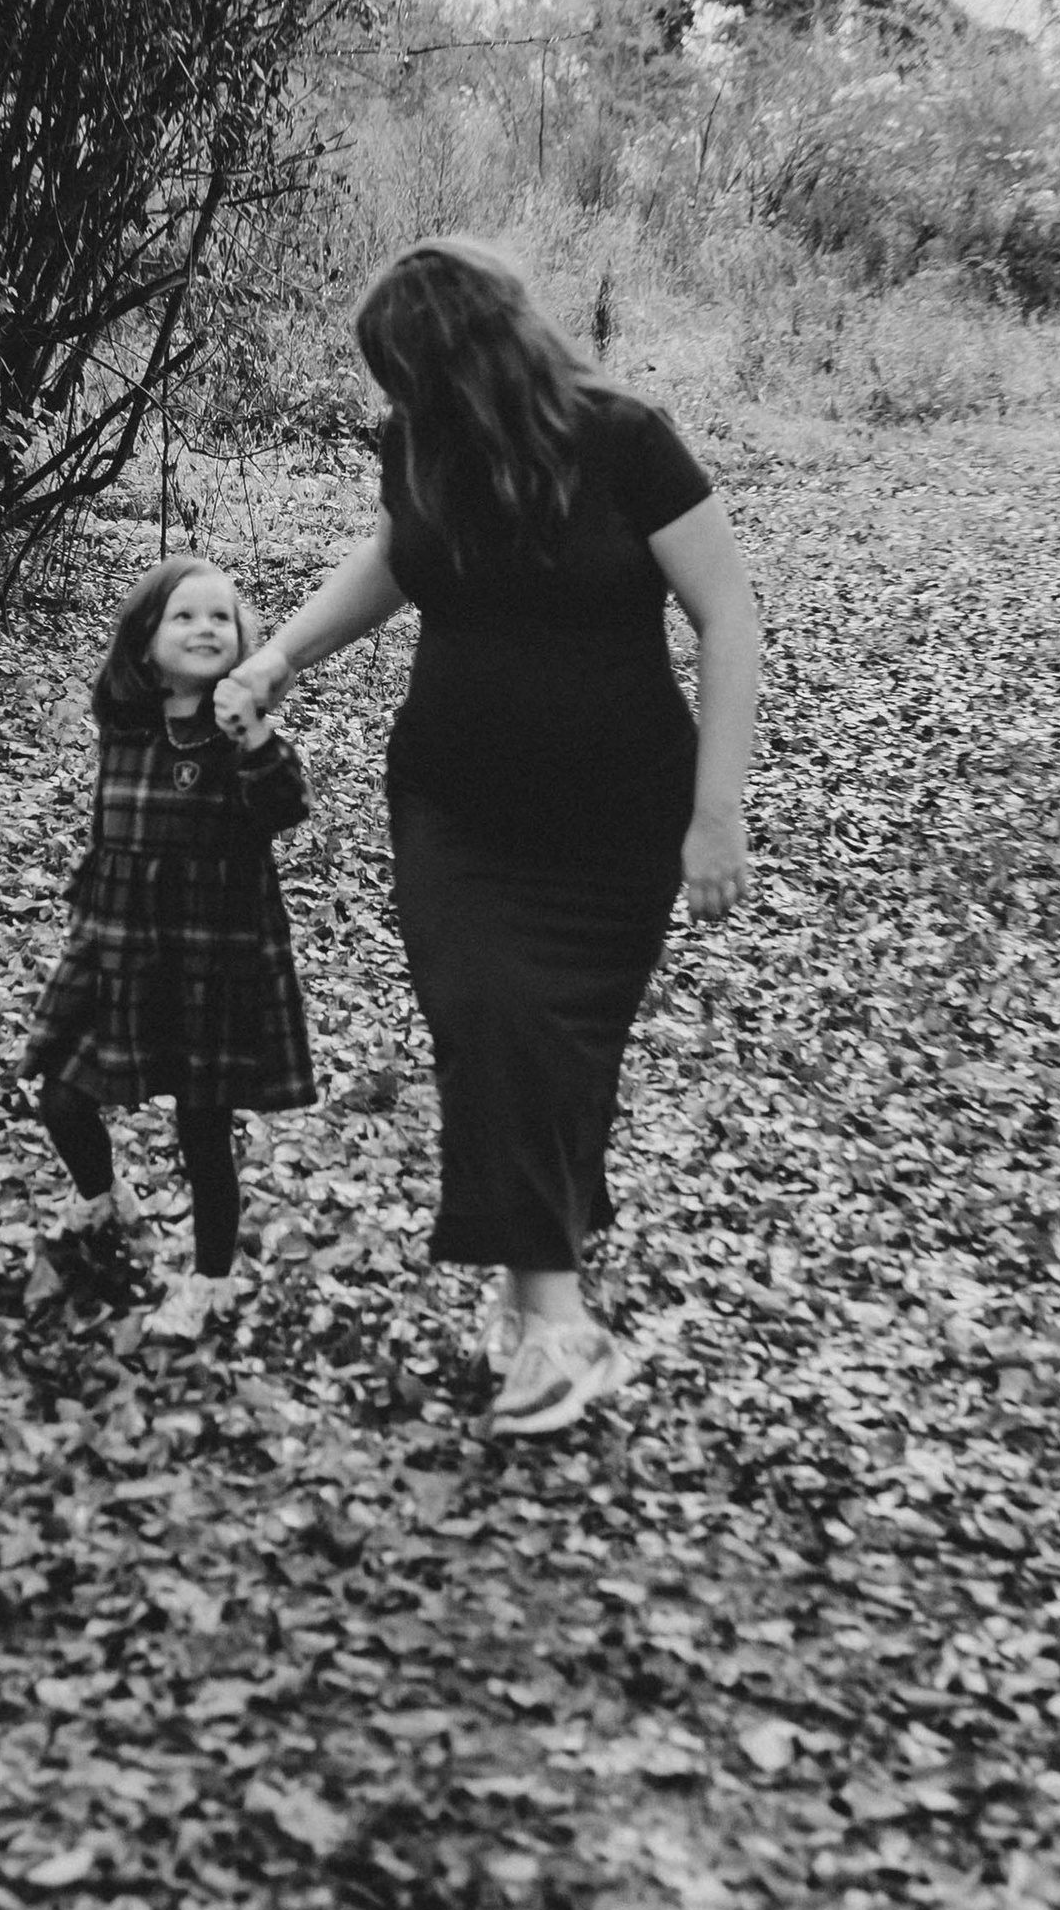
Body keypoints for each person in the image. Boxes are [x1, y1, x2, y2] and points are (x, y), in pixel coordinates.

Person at [215, 237, 759, 1436]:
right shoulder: (420, 445)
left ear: (464, 358)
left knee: (550, 1048)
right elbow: (397, 560)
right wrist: (278, 654)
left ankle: (541, 1310)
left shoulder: (624, 438)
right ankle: (555, 1324)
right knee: (488, 1021)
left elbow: (729, 618)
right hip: (455, 805)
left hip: (615, 815)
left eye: (404, 375)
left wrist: (716, 815)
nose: (390, 403)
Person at [27, 554, 313, 1345]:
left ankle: (212, 1280)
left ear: (244, 640)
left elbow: (289, 806)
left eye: (220, 617)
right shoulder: (125, 723)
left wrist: (252, 727)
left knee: (201, 1128)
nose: (204, 629)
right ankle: (100, 1196)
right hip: (116, 945)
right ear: (145, 641)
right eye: (182, 616)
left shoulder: (240, 738)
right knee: (62, 1093)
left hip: (209, 957)